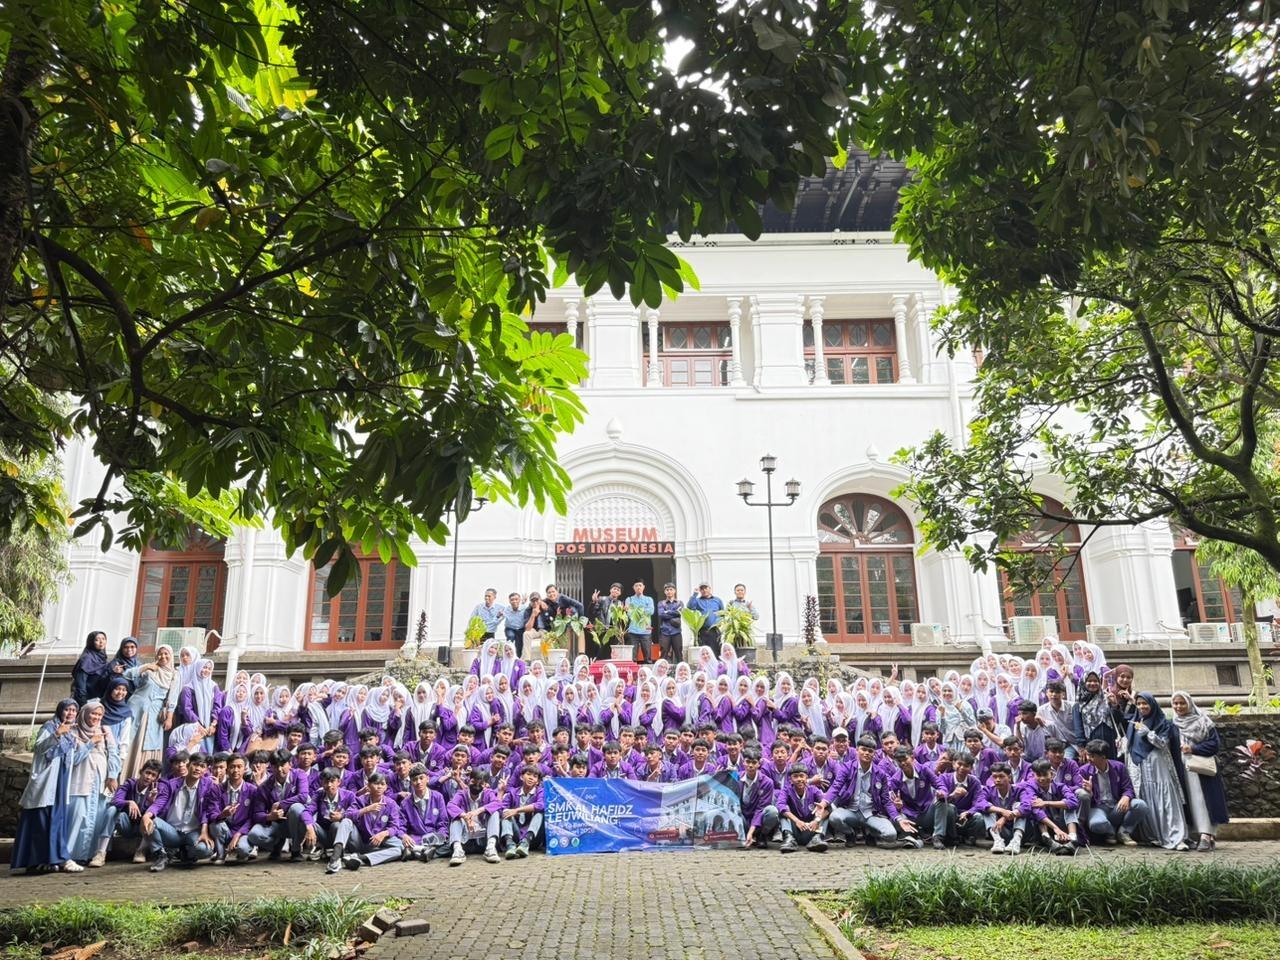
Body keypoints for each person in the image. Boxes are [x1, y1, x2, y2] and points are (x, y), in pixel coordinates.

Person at [12, 699, 81, 874]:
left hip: (61, 780)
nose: (71, 713)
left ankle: (53, 858)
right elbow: (40, 748)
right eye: (68, 710)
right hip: (48, 780)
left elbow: (73, 759)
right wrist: (56, 735)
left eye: (74, 710)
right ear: (60, 711)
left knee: (56, 819)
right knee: (42, 819)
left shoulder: (71, 733)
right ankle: (42, 859)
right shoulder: (50, 727)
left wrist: (89, 744)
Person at [1126, 692, 1190, 850]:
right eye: (1139, 704)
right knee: (1147, 799)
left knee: (1166, 799)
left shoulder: (1163, 722)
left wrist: (1149, 734)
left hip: (1158, 765)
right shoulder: (1133, 723)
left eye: (1145, 703)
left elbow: (1163, 744)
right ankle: (1153, 835)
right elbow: (1130, 745)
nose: (1142, 707)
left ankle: (1176, 837)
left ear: (1152, 704)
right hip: (1140, 767)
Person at [1171, 690, 1229, 852]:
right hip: (1183, 770)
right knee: (1190, 801)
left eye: (1182, 703)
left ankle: (1206, 835)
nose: (1179, 706)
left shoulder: (1204, 721)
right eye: (1175, 703)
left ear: (1189, 703)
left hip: (1202, 769)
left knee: (1204, 801)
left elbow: (1214, 744)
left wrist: (1194, 748)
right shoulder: (1173, 724)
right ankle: (1195, 835)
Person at [65, 699, 121, 867]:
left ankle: (91, 854)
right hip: (80, 777)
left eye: (99, 714)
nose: (96, 717)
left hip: (100, 777)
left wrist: (112, 775)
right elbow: (72, 759)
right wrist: (90, 743)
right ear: (84, 714)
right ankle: (69, 855)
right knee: (78, 814)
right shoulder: (73, 731)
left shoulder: (105, 730)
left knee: (97, 815)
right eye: (93, 714)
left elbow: (113, 753)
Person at [143, 751, 219, 871]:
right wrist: (148, 814)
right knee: (150, 821)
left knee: (204, 850)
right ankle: (161, 855)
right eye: (195, 764)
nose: (198, 769)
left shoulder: (208, 785)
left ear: (205, 770)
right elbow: (159, 802)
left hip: (193, 831)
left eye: (202, 766)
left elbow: (207, 810)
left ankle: (186, 852)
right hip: (172, 831)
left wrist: (204, 831)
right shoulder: (172, 784)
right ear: (188, 765)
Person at [820, 736, 897, 845]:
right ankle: (850, 833)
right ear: (857, 750)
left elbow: (886, 800)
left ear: (874, 754)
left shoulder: (881, 774)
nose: (866, 753)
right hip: (851, 811)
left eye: (870, 751)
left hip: (871, 814)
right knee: (834, 817)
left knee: (891, 835)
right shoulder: (847, 767)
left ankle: (870, 832)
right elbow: (835, 787)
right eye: (863, 750)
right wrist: (823, 804)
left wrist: (898, 818)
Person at [123, 644, 181, 778]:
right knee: (131, 739)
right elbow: (127, 675)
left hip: (155, 713)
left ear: (171, 656)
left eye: (166, 654)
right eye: (160, 654)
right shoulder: (150, 669)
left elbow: (173, 697)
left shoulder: (174, 674)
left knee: (150, 742)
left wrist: (169, 717)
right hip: (136, 709)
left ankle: (143, 777)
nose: (163, 657)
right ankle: (125, 775)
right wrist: (145, 667)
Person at [1080, 738, 1149, 846]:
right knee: (1096, 824)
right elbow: (1084, 799)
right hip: (1098, 807)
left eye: (1092, 756)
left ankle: (1124, 831)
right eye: (1088, 755)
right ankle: (1110, 832)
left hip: (1116, 806)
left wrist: (1126, 796)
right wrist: (1089, 792)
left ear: (1103, 756)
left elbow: (1128, 787)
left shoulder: (1119, 767)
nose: (1088, 758)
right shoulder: (1084, 770)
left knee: (1140, 805)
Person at [340, 772, 405, 870]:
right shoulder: (361, 800)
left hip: (377, 842)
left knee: (400, 848)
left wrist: (383, 834)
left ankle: (361, 858)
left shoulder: (390, 803)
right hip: (360, 841)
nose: (379, 787)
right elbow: (347, 815)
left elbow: (395, 826)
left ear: (386, 787)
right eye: (376, 783)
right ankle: (337, 856)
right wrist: (366, 809)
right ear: (368, 785)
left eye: (382, 784)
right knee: (346, 822)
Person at [109, 758, 164, 864]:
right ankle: (103, 850)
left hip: (143, 830)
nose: (148, 777)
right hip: (128, 825)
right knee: (115, 812)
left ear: (156, 779)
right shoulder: (130, 783)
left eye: (153, 775)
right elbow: (115, 800)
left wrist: (151, 801)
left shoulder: (155, 791)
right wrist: (129, 802)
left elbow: (158, 811)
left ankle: (141, 851)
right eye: (147, 773)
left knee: (154, 818)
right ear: (141, 772)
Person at [447, 768, 501, 865]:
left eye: (480, 784)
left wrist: (478, 811)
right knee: (456, 818)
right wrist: (465, 816)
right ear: (468, 780)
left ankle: (491, 848)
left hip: (483, 836)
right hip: (466, 837)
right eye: (473, 781)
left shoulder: (488, 793)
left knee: (495, 813)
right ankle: (458, 850)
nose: (476, 785)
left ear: (485, 785)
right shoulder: (461, 793)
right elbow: (451, 806)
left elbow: (497, 804)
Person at [974, 762, 1028, 854]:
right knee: (987, 808)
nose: (998, 780)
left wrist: (1006, 816)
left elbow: (1027, 805)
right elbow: (979, 803)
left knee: (1019, 806)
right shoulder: (988, 790)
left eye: (1001, 776)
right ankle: (997, 840)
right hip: (999, 829)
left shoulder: (1018, 789)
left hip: (1021, 831)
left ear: (1009, 778)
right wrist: (1002, 811)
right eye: (994, 777)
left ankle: (1016, 841)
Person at [779, 765, 829, 853]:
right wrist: (797, 821)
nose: (799, 779)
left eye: (802, 776)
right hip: (795, 829)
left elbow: (828, 807)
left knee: (825, 810)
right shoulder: (786, 790)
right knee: (783, 811)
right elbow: (781, 805)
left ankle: (817, 838)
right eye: (795, 776)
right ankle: (789, 839)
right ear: (790, 779)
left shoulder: (814, 790)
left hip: (812, 828)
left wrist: (816, 820)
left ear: (806, 778)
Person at [499, 765, 546, 858]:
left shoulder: (540, 792)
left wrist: (517, 810)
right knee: (506, 812)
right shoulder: (513, 793)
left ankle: (525, 843)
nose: (531, 778)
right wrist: (501, 792)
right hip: (516, 833)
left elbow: (541, 805)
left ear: (537, 782)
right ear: (521, 777)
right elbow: (501, 809)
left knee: (540, 813)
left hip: (533, 837)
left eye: (535, 776)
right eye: (528, 774)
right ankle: (510, 844)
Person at [71, 631, 111, 705]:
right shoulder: (86, 659)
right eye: (97, 640)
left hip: (98, 700)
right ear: (91, 642)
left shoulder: (103, 658)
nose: (101, 642)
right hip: (85, 700)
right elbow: (80, 684)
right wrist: (83, 703)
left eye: (103, 639)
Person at [625, 581, 655, 663]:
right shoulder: (629, 599)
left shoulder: (649, 599)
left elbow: (651, 611)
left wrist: (636, 610)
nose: (638, 587)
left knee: (648, 657)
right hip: (633, 630)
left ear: (643, 587)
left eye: (640, 585)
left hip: (645, 630)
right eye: (636, 586)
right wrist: (643, 610)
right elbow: (629, 613)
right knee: (632, 658)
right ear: (633, 588)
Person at [687, 583, 724, 648]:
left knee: (715, 651)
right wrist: (695, 594)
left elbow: (723, 613)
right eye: (702, 589)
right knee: (704, 651)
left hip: (715, 630)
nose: (704, 590)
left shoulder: (717, 600)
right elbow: (690, 606)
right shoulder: (698, 600)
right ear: (700, 591)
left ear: (710, 589)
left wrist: (719, 623)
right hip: (702, 631)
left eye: (706, 588)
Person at [656, 583, 684, 663]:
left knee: (679, 653)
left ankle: (681, 670)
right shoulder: (661, 603)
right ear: (665, 592)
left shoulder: (679, 603)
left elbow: (680, 613)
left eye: (671, 589)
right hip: (665, 631)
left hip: (676, 631)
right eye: (667, 590)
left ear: (674, 591)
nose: (669, 591)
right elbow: (661, 614)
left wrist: (667, 611)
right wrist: (674, 612)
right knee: (663, 652)